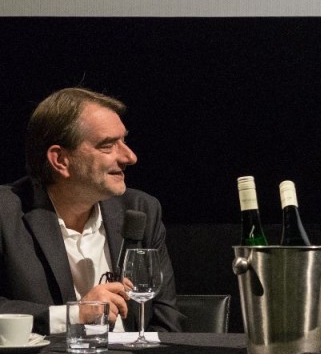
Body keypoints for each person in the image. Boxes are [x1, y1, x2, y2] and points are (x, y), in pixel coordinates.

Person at [0, 87, 184, 334]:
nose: (130, 157)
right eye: (108, 145)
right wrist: (75, 314)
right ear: (60, 160)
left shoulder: (142, 210)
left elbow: (167, 321)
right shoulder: (6, 213)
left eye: (124, 141)